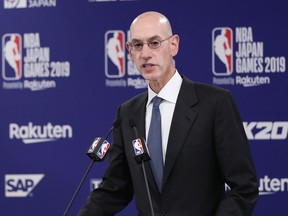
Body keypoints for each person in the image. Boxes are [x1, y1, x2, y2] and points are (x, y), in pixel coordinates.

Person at [78, 11, 259, 216]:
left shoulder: (215, 103)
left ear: (173, 45)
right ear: (129, 51)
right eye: (137, 45)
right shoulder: (127, 113)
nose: (145, 53)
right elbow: (115, 189)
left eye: (154, 43)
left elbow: (244, 187)